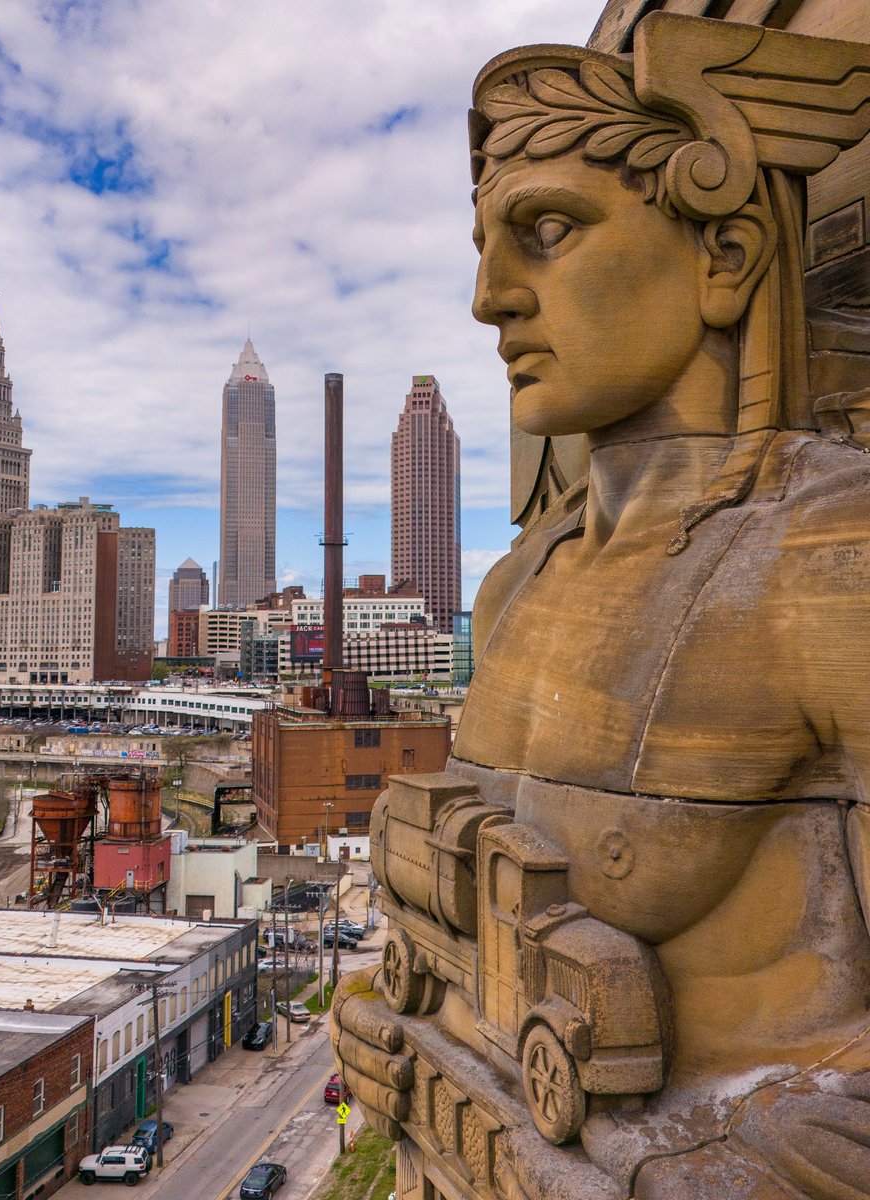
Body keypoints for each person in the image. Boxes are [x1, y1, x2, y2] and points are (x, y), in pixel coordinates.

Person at [332, 12, 870, 1200]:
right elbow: (451, 927)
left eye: (548, 230)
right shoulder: (518, 583)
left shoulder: (833, 559)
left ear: (722, 260)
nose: (489, 300)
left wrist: (730, 1168)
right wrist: (390, 1029)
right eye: (485, 247)